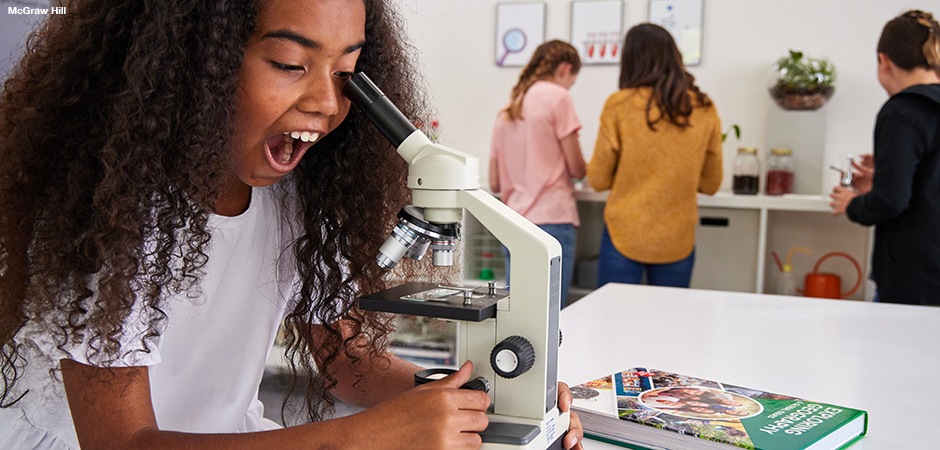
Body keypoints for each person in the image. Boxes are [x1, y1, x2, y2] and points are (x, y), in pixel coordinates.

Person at [0, 1, 585, 449]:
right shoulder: (112, 213)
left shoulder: (293, 199)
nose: (327, 103)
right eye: (289, 64)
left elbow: (345, 362)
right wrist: (368, 437)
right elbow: (123, 443)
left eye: (347, 73)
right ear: (195, 62)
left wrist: (484, 402)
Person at [587, 24, 722, 289]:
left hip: (623, 234)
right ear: (674, 56)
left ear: (630, 60)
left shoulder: (619, 104)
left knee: (613, 320)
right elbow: (711, 183)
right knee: (669, 323)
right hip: (677, 238)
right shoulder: (704, 107)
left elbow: (598, 179)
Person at [830, 10, 940, 306]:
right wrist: (887, 175)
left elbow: (891, 200)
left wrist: (852, 204)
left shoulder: (901, 112)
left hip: (913, 281)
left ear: (883, 61)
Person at [489, 40, 587, 308]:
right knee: (552, 313)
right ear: (566, 69)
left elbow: (495, 181)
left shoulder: (510, 105)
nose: (569, 87)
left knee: (520, 310)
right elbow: (578, 168)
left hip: (514, 223)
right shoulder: (558, 97)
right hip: (552, 220)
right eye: (572, 81)